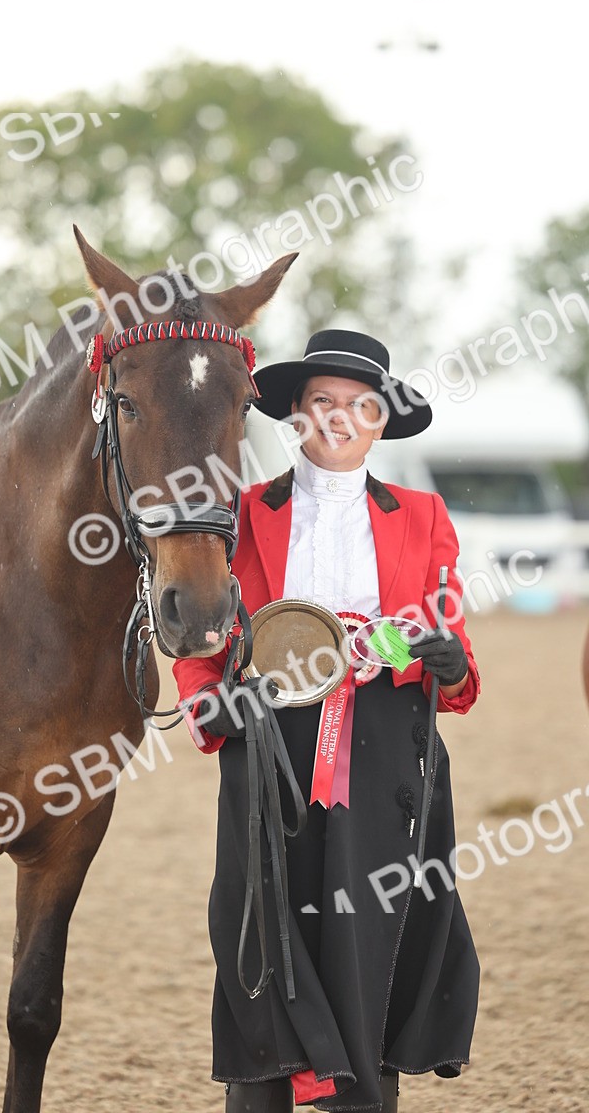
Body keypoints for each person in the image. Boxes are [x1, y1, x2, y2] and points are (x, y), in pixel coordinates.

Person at [173, 329, 481, 1113]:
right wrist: (210, 701)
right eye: (323, 403)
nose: (340, 418)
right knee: (263, 933)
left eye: (359, 406)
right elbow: (203, 638)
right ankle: (263, 1092)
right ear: (296, 416)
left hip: (388, 762)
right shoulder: (240, 513)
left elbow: (453, 651)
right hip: (268, 748)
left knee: (370, 936)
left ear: (379, 421)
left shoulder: (425, 514)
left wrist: (441, 662)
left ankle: (364, 1092)